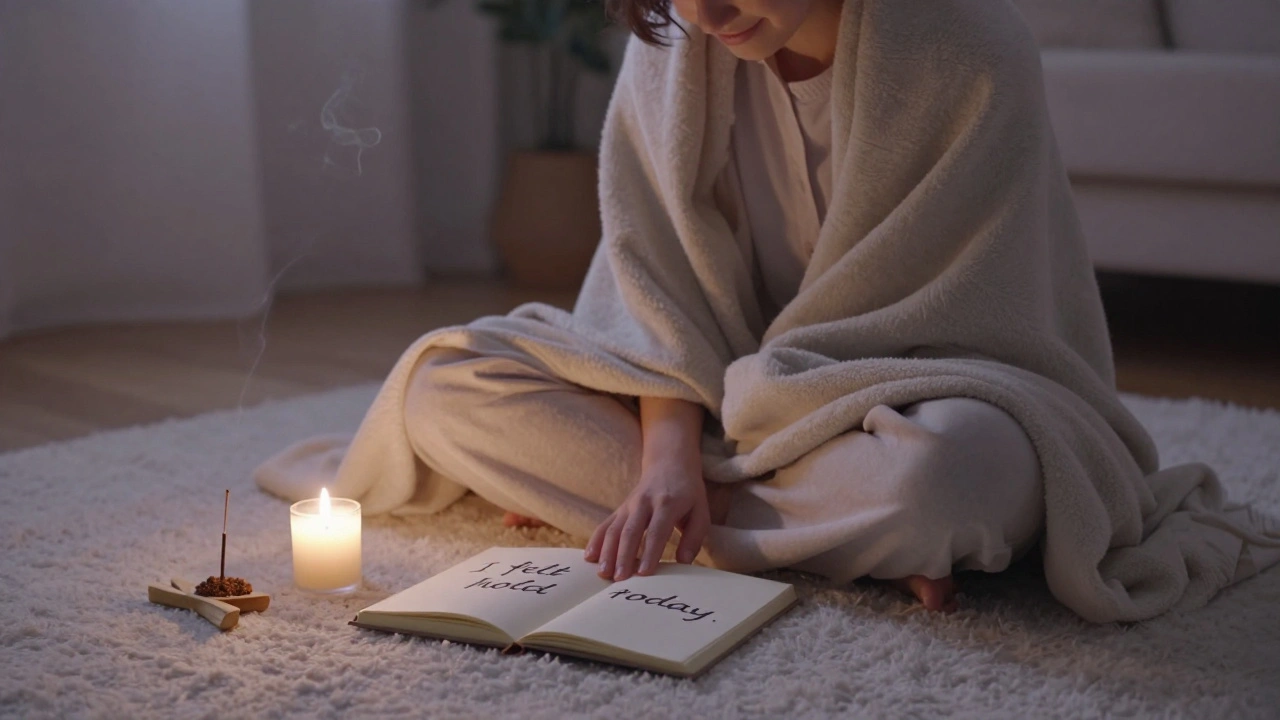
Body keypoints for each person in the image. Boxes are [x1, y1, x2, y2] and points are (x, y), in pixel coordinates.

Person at [257, 0, 1280, 622]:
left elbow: (980, 317)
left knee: (954, 476)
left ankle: (778, 523)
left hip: (909, 398)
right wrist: (664, 455)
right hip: (711, 405)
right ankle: (832, 542)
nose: (701, 11)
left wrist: (739, 438)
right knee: (446, 385)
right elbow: (651, 286)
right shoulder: (672, 41)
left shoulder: (966, 46)